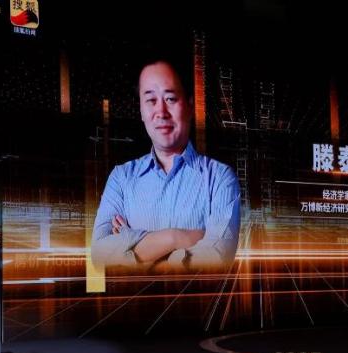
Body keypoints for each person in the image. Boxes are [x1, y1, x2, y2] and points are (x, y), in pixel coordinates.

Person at [91, 59, 240, 271]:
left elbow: (216, 259)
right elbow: (99, 256)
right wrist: (175, 238)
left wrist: (130, 242)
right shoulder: (121, 178)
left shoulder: (219, 178)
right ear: (141, 111)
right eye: (151, 100)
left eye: (170, 98)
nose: (161, 112)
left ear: (190, 106)